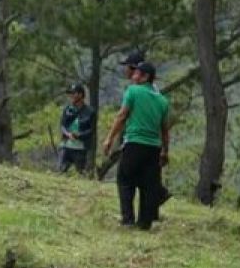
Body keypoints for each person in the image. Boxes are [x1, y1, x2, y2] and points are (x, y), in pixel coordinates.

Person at [102, 62, 170, 230]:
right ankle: (144, 223)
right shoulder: (162, 100)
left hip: (134, 143)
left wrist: (109, 138)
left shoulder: (133, 91)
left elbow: (122, 115)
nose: (133, 76)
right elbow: (164, 130)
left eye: (136, 74)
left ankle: (128, 220)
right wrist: (165, 150)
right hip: (153, 148)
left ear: (145, 77)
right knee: (148, 185)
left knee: (125, 180)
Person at [58, 83, 96, 173]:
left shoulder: (90, 112)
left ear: (80, 95)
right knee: (61, 171)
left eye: (73, 93)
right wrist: (67, 134)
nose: (71, 96)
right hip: (65, 146)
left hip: (80, 148)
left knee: (80, 172)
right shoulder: (67, 109)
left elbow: (91, 130)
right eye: (70, 94)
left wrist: (78, 135)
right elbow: (62, 125)